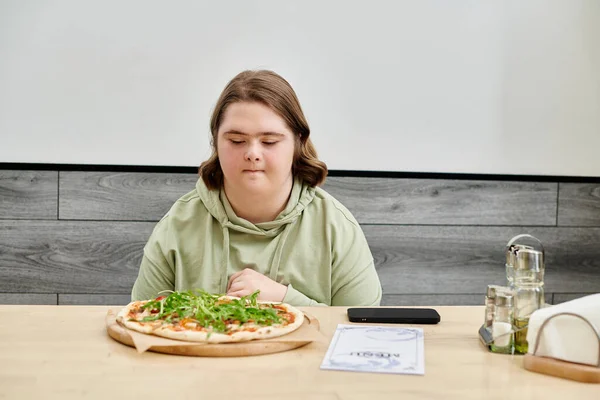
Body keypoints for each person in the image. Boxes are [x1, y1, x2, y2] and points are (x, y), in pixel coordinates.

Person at [131, 70, 382, 306]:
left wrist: (284, 299)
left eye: (269, 141)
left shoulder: (337, 228)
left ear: (298, 142)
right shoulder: (177, 224)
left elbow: (360, 334)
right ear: (216, 143)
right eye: (237, 140)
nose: (252, 153)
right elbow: (141, 320)